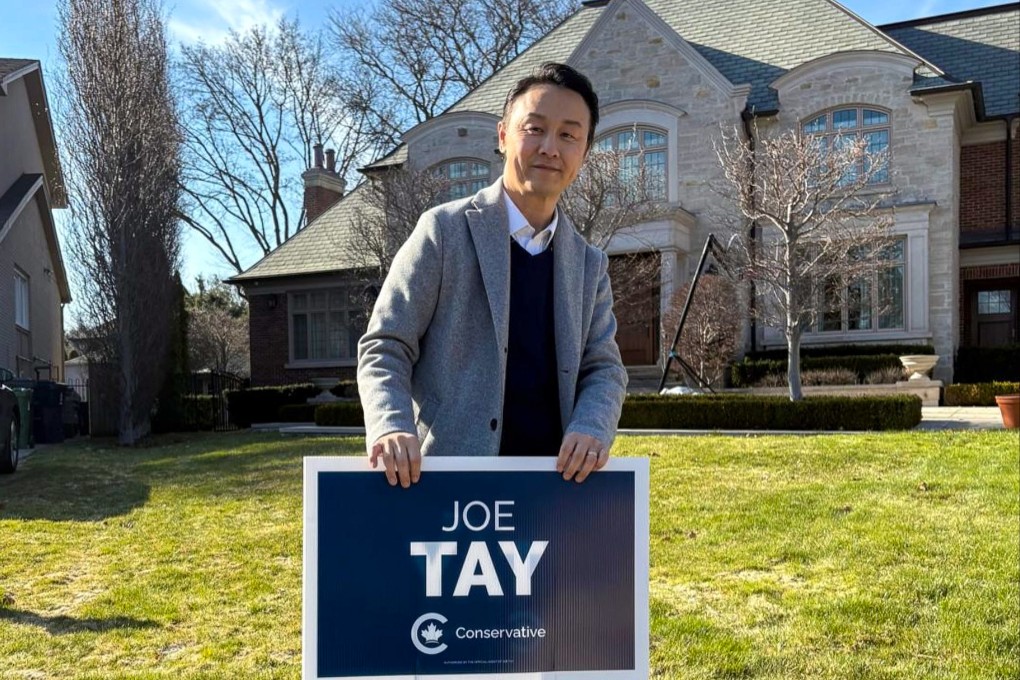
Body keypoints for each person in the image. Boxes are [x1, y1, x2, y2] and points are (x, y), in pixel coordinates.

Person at [357, 62, 628, 488]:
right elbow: (385, 345)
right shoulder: (443, 231)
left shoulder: (589, 265)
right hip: (449, 488)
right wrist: (391, 424)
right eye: (534, 129)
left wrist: (593, 426)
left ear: (584, 152)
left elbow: (604, 369)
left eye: (568, 135)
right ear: (503, 136)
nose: (550, 148)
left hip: (553, 495)